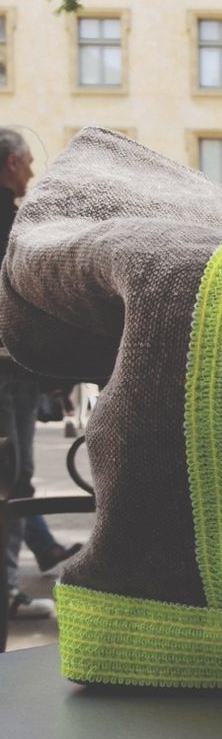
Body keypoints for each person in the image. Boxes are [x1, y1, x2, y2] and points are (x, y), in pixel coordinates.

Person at [0, 128, 80, 618]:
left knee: (11, 478)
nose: (32, 172)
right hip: (11, 373)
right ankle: (7, 592)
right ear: (11, 164)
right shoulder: (14, 224)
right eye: (28, 163)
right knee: (13, 477)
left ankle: (34, 558)